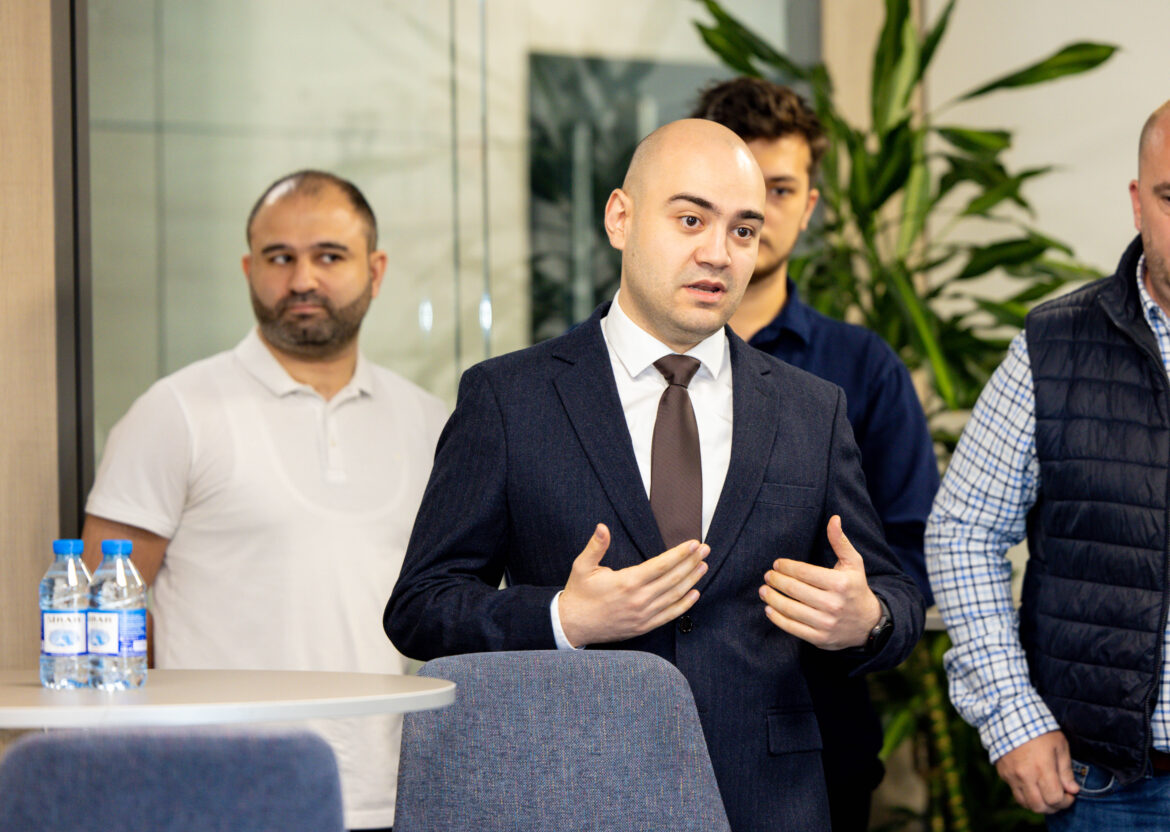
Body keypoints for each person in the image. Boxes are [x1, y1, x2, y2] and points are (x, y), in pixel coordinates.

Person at [385, 118, 925, 832]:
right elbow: (421, 606)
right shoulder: (509, 398)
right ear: (620, 218)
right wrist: (563, 618)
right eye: (691, 219)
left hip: (767, 799)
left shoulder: (811, 409)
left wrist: (869, 618)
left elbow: (894, 593)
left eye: (743, 230)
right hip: (573, 790)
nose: (718, 253)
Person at [82, 170, 448, 832]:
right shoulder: (175, 411)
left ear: (376, 270)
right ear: (250, 270)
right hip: (214, 795)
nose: (302, 279)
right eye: (280, 258)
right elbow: (101, 606)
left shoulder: (430, 423)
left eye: (329, 256)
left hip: (394, 792)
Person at [691, 77, 939, 830]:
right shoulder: (602, 367)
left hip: (817, 756)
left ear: (809, 207)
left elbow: (911, 560)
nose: (754, 212)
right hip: (629, 747)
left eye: (779, 189)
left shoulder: (864, 370)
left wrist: (867, 612)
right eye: (729, 189)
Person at [927, 99, 1170, 830]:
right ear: (1138, 202)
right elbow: (963, 531)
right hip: (1113, 791)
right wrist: (1013, 717)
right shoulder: (1054, 345)